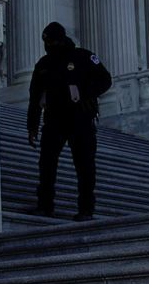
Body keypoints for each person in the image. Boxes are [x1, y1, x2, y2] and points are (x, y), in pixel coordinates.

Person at [26, 22, 112, 221]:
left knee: (84, 165)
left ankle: (86, 209)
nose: (49, 45)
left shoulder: (82, 57)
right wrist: (32, 126)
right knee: (46, 163)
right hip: (54, 119)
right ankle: (45, 205)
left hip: (80, 117)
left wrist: (85, 93)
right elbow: (34, 97)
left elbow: (105, 79)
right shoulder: (43, 65)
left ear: (60, 39)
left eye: (51, 41)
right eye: (46, 42)